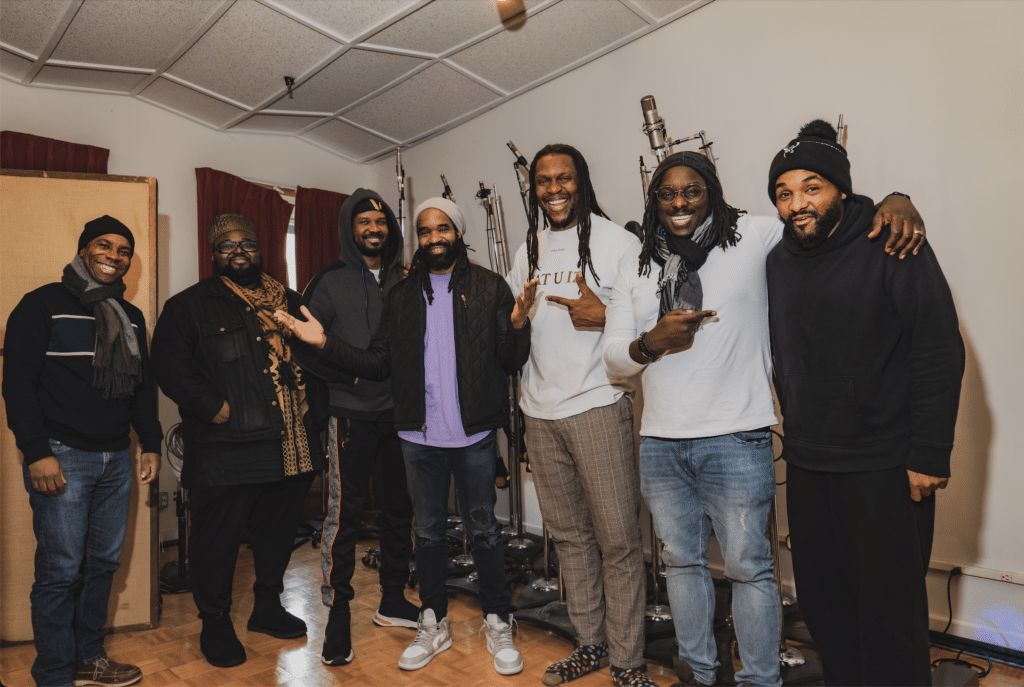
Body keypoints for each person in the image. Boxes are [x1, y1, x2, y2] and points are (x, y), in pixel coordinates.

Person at [602, 150, 928, 687]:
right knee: (680, 566)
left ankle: (759, 681)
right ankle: (700, 675)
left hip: (736, 437)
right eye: (667, 193)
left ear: (713, 192)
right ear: (653, 200)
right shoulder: (636, 263)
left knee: (750, 570)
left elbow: (823, 220)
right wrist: (649, 342)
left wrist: (893, 200)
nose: (679, 202)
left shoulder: (752, 237)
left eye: (692, 191)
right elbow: (614, 359)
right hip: (660, 444)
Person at [277, 198, 536, 676]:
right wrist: (322, 343)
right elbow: (378, 362)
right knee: (428, 534)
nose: (434, 236)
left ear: (457, 233)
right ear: (417, 237)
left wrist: (519, 325)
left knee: (483, 531)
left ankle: (499, 621)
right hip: (418, 436)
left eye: (443, 228)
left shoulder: (489, 286)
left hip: (473, 435)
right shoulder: (401, 294)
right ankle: (433, 622)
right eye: (425, 230)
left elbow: (508, 359)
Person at [766, 120, 964, 685]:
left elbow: (938, 349)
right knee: (826, 609)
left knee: (891, 617)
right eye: (784, 193)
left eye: (812, 187)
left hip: (884, 465)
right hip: (808, 463)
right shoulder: (778, 260)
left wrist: (930, 452)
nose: (797, 203)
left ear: (841, 190)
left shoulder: (893, 243)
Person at [506, 143, 655, 687]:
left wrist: (606, 316)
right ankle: (590, 645)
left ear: (581, 180)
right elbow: (517, 329)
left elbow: (646, 324)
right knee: (569, 539)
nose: (553, 189)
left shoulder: (620, 243)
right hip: (539, 413)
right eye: (543, 181)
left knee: (618, 540)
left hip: (598, 404)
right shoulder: (528, 249)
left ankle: (628, 661)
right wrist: (516, 320)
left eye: (563, 178)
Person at [150, 214, 325, 669]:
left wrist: (317, 419)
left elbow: (316, 355)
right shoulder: (188, 306)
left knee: (277, 535)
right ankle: (215, 622)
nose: (238, 251)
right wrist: (213, 407)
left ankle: (266, 607)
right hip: (226, 448)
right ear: (213, 254)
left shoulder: (289, 299)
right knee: (217, 541)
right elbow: (170, 367)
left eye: (246, 242)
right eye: (227, 246)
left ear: (259, 249)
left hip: (292, 444)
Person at [3, 215, 162, 687]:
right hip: (61, 456)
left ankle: (89, 659)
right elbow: (17, 386)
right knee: (59, 571)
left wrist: (150, 443)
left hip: (117, 459)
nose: (115, 256)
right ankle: (53, 673)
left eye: (124, 250)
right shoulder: (40, 306)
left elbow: (142, 389)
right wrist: (36, 452)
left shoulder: (129, 316)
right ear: (83, 249)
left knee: (102, 566)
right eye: (104, 245)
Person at [300, 189, 418, 666]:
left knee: (398, 512)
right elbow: (303, 347)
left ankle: (392, 600)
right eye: (364, 221)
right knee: (342, 517)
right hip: (349, 414)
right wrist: (351, 375)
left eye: (381, 221)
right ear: (351, 228)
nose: (374, 228)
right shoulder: (328, 281)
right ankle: (338, 614)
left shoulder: (406, 278)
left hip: (400, 416)